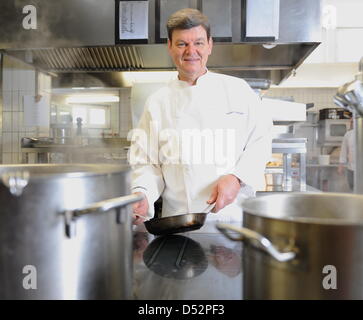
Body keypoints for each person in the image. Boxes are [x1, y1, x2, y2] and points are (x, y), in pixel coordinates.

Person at [129, 8, 272, 224]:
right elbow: (146, 163)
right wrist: (143, 194)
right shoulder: (157, 102)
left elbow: (261, 141)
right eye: (181, 44)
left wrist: (236, 177)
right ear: (169, 47)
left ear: (210, 45)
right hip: (177, 221)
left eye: (198, 43)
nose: (191, 51)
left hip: (232, 220)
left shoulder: (237, 90)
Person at [338, 117, 355, 191]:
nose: (352, 123)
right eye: (352, 122)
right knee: (353, 189)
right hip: (351, 168)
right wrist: (341, 165)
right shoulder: (348, 134)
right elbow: (344, 150)